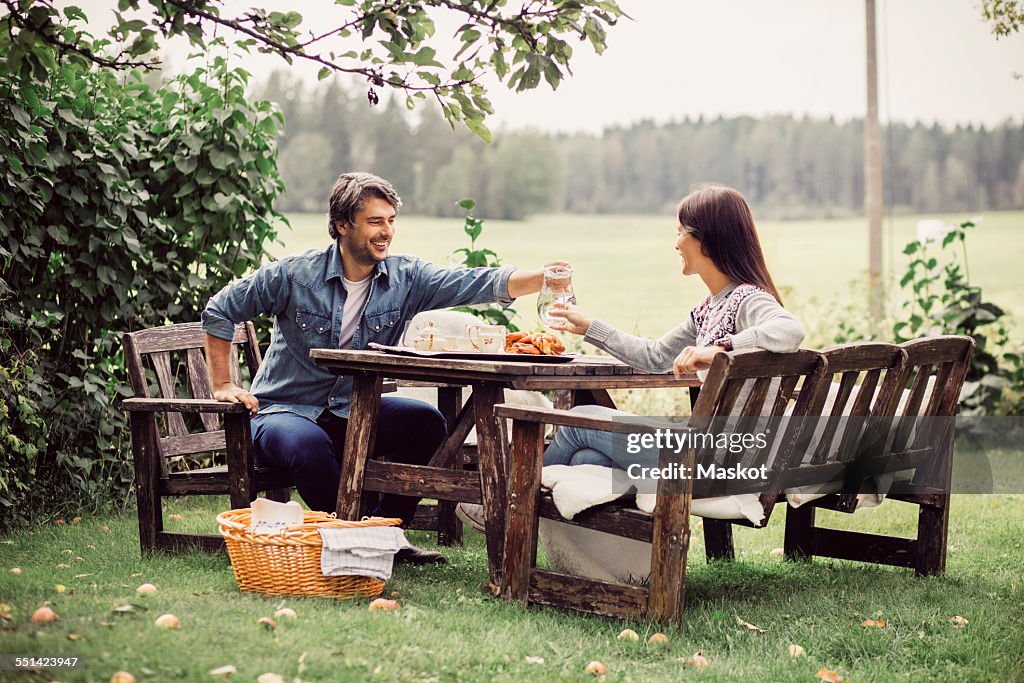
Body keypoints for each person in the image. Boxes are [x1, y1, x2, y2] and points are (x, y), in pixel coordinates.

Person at [203, 172, 558, 564]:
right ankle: (351, 539)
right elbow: (221, 309)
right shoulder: (293, 274)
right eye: (375, 221)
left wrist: (545, 278)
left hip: (350, 412)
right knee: (309, 445)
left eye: (390, 221)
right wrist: (222, 383)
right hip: (282, 412)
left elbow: (476, 281)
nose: (386, 231)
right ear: (342, 225)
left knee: (428, 423)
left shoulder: (406, 278)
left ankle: (385, 531)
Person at [455, 184, 805, 532]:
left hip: (721, 460)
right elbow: (654, 357)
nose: (676, 242)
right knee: (585, 459)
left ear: (708, 239)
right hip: (711, 454)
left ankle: (501, 513)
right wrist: (588, 325)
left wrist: (721, 348)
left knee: (579, 419)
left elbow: (790, 329)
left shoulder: (747, 299)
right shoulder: (708, 309)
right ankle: (597, 561)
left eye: (681, 232)